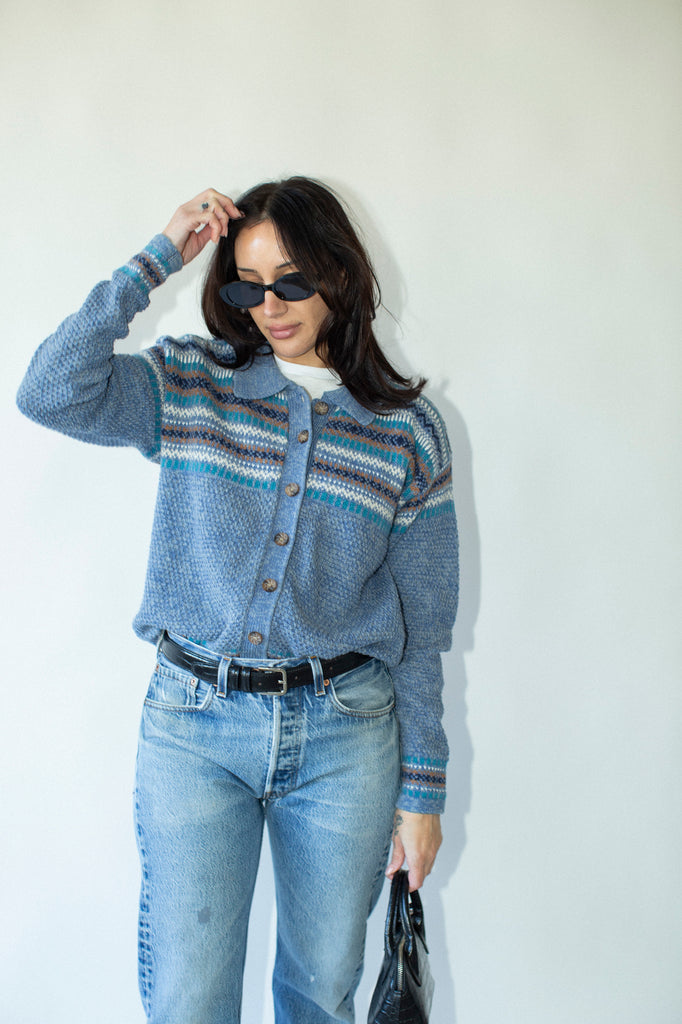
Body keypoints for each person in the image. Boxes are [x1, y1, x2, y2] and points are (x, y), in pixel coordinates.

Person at [16, 178, 458, 1024]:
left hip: (345, 735)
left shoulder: (407, 432)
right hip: (194, 727)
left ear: (338, 272)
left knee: (320, 996)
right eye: (248, 287)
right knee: (190, 1001)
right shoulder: (192, 383)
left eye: (291, 281)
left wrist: (424, 790)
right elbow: (49, 391)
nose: (270, 306)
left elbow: (424, 626)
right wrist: (156, 260)